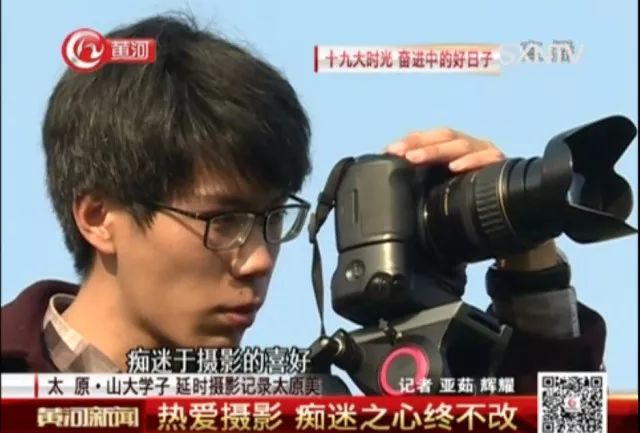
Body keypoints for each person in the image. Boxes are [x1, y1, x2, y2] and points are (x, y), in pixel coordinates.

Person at [1, 15, 605, 393]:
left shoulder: (303, 403)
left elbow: (569, 417)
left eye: (272, 220)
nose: (260, 260)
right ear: (98, 218)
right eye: (224, 221)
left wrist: (530, 260)